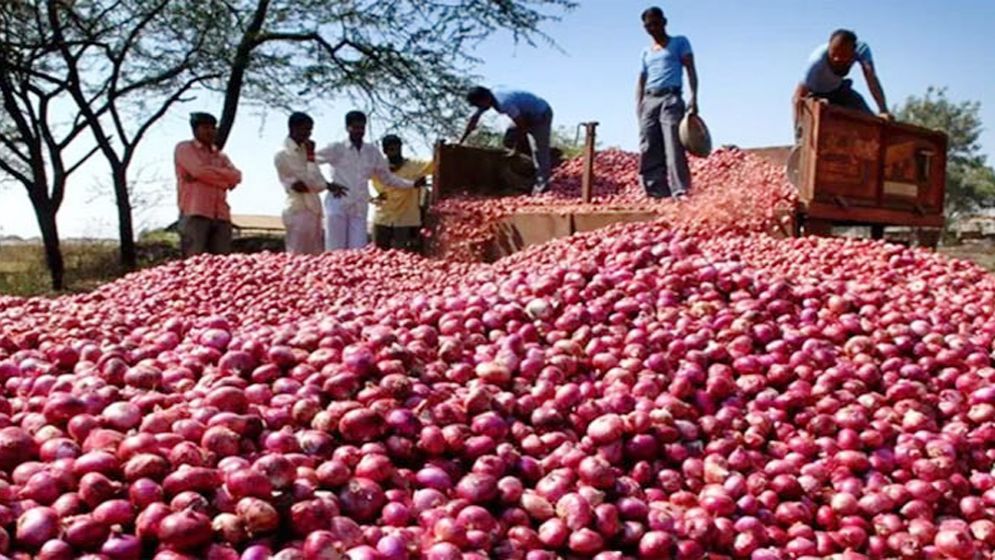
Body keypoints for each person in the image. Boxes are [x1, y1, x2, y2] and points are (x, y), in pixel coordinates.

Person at [315, 111, 427, 251]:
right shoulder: (336, 148)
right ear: (347, 128)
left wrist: (412, 184)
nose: (359, 131)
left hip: (359, 206)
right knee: (335, 249)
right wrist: (325, 184)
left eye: (362, 128)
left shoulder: (372, 152)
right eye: (355, 127)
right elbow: (310, 160)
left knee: (358, 250)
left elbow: (387, 178)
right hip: (339, 203)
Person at [636, 6, 698, 199]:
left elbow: (690, 70)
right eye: (648, 26)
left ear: (664, 22)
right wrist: (639, 105)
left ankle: (681, 190)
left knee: (673, 144)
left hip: (671, 97)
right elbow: (640, 80)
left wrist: (694, 97)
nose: (652, 28)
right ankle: (656, 191)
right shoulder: (646, 52)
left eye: (655, 23)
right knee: (648, 145)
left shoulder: (679, 42)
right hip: (649, 99)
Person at [459, 86, 553, 195]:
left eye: (479, 105)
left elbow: (521, 125)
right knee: (509, 139)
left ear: (484, 100)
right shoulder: (489, 97)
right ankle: (528, 169)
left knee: (538, 150)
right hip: (523, 114)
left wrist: (516, 147)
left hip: (540, 114)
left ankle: (542, 186)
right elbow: (474, 119)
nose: (479, 107)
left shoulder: (503, 102)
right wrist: (462, 140)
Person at [174, 112, 242, 257]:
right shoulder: (184, 148)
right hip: (195, 212)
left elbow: (237, 176)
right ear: (195, 130)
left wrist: (207, 176)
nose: (210, 131)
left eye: (213, 128)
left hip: (221, 215)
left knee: (221, 263)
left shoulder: (220, 155)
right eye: (205, 127)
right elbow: (198, 171)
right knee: (194, 261)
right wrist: (224, 181)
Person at [793, 29, 892, 128]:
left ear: (853, 53)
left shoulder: (861, 50)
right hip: (817, 95)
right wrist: (799, 131)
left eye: (843, 56)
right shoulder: (817, 61)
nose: (837, 59)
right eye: (833, 55)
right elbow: (797, 97)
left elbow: (871, 78)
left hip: (839, 90)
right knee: (822, 111)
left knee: (869, 119)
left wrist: (883, 110)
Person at [274, 112, 332, 255]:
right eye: (306, 129)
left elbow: (319, 183)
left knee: (315, 255)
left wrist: (310, 157)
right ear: (293, 128)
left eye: (310, 130)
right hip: (298, 209)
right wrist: (311, 159)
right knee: (297, 255)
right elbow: (309, 183)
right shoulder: (283, 154)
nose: (309, 134)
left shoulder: (307, 153)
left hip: (314, 208)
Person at [370, 135, 432, 252]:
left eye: (398, 149)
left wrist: (444, 149)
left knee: (403, 256)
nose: (396, 154)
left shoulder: (415, 165)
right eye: (391, 150)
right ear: (385, 151)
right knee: (378, 254)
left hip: (406, 219)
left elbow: (435, 163)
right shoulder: (377, 168)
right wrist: (371, 198)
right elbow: (358, 180)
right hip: (383, 218)